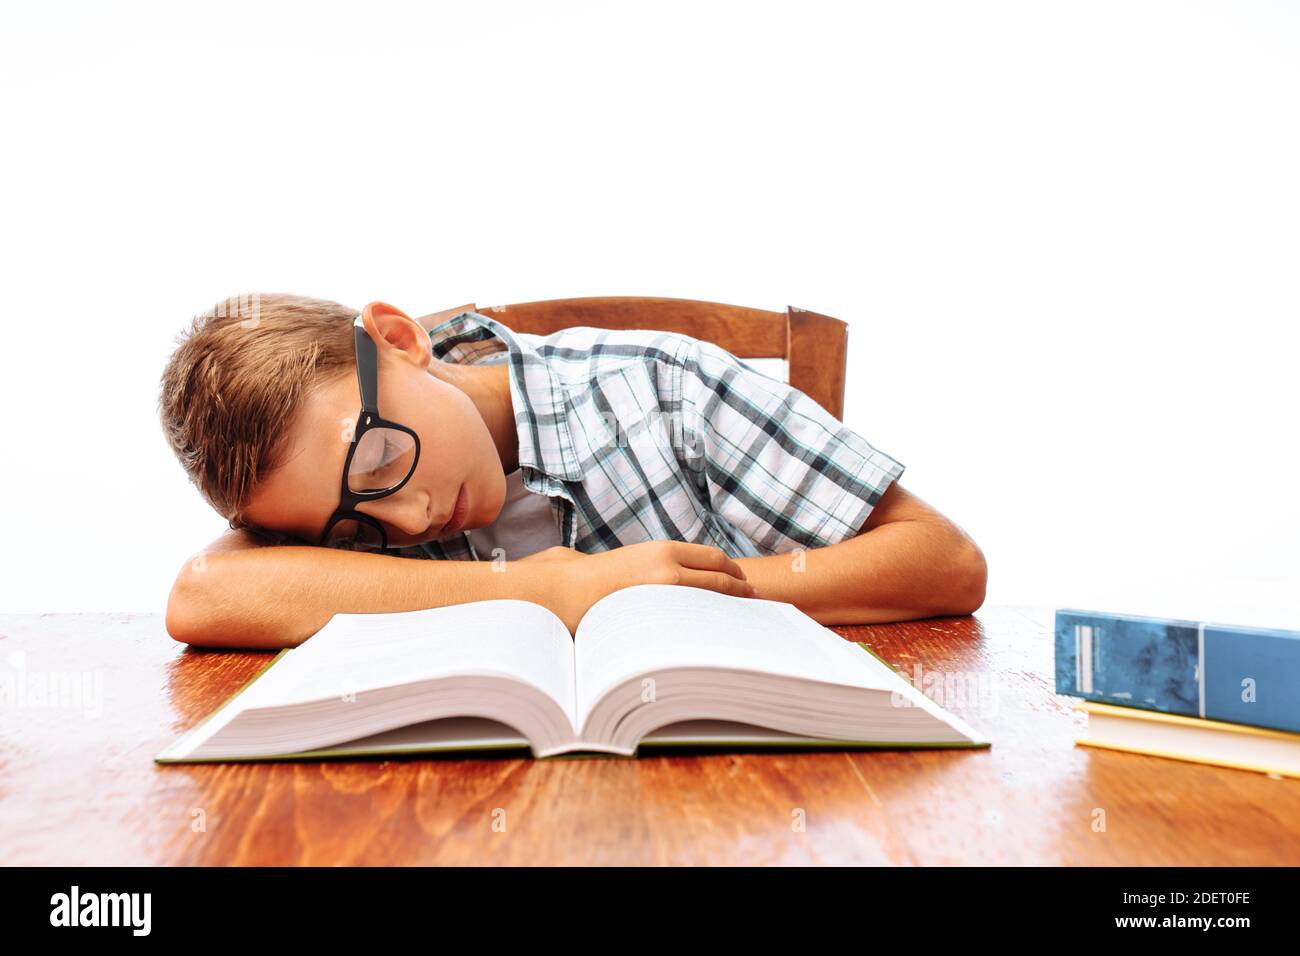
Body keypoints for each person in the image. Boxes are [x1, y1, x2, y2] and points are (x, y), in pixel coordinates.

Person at [157, 294, 986, 649]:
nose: (404, 522)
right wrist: (548, 591)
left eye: (379, 459)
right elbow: (203, 593)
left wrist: (681, 598)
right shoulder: (338, 497)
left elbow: (944, 560)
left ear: (401, 340)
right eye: (353, 527)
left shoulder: (662, 386)